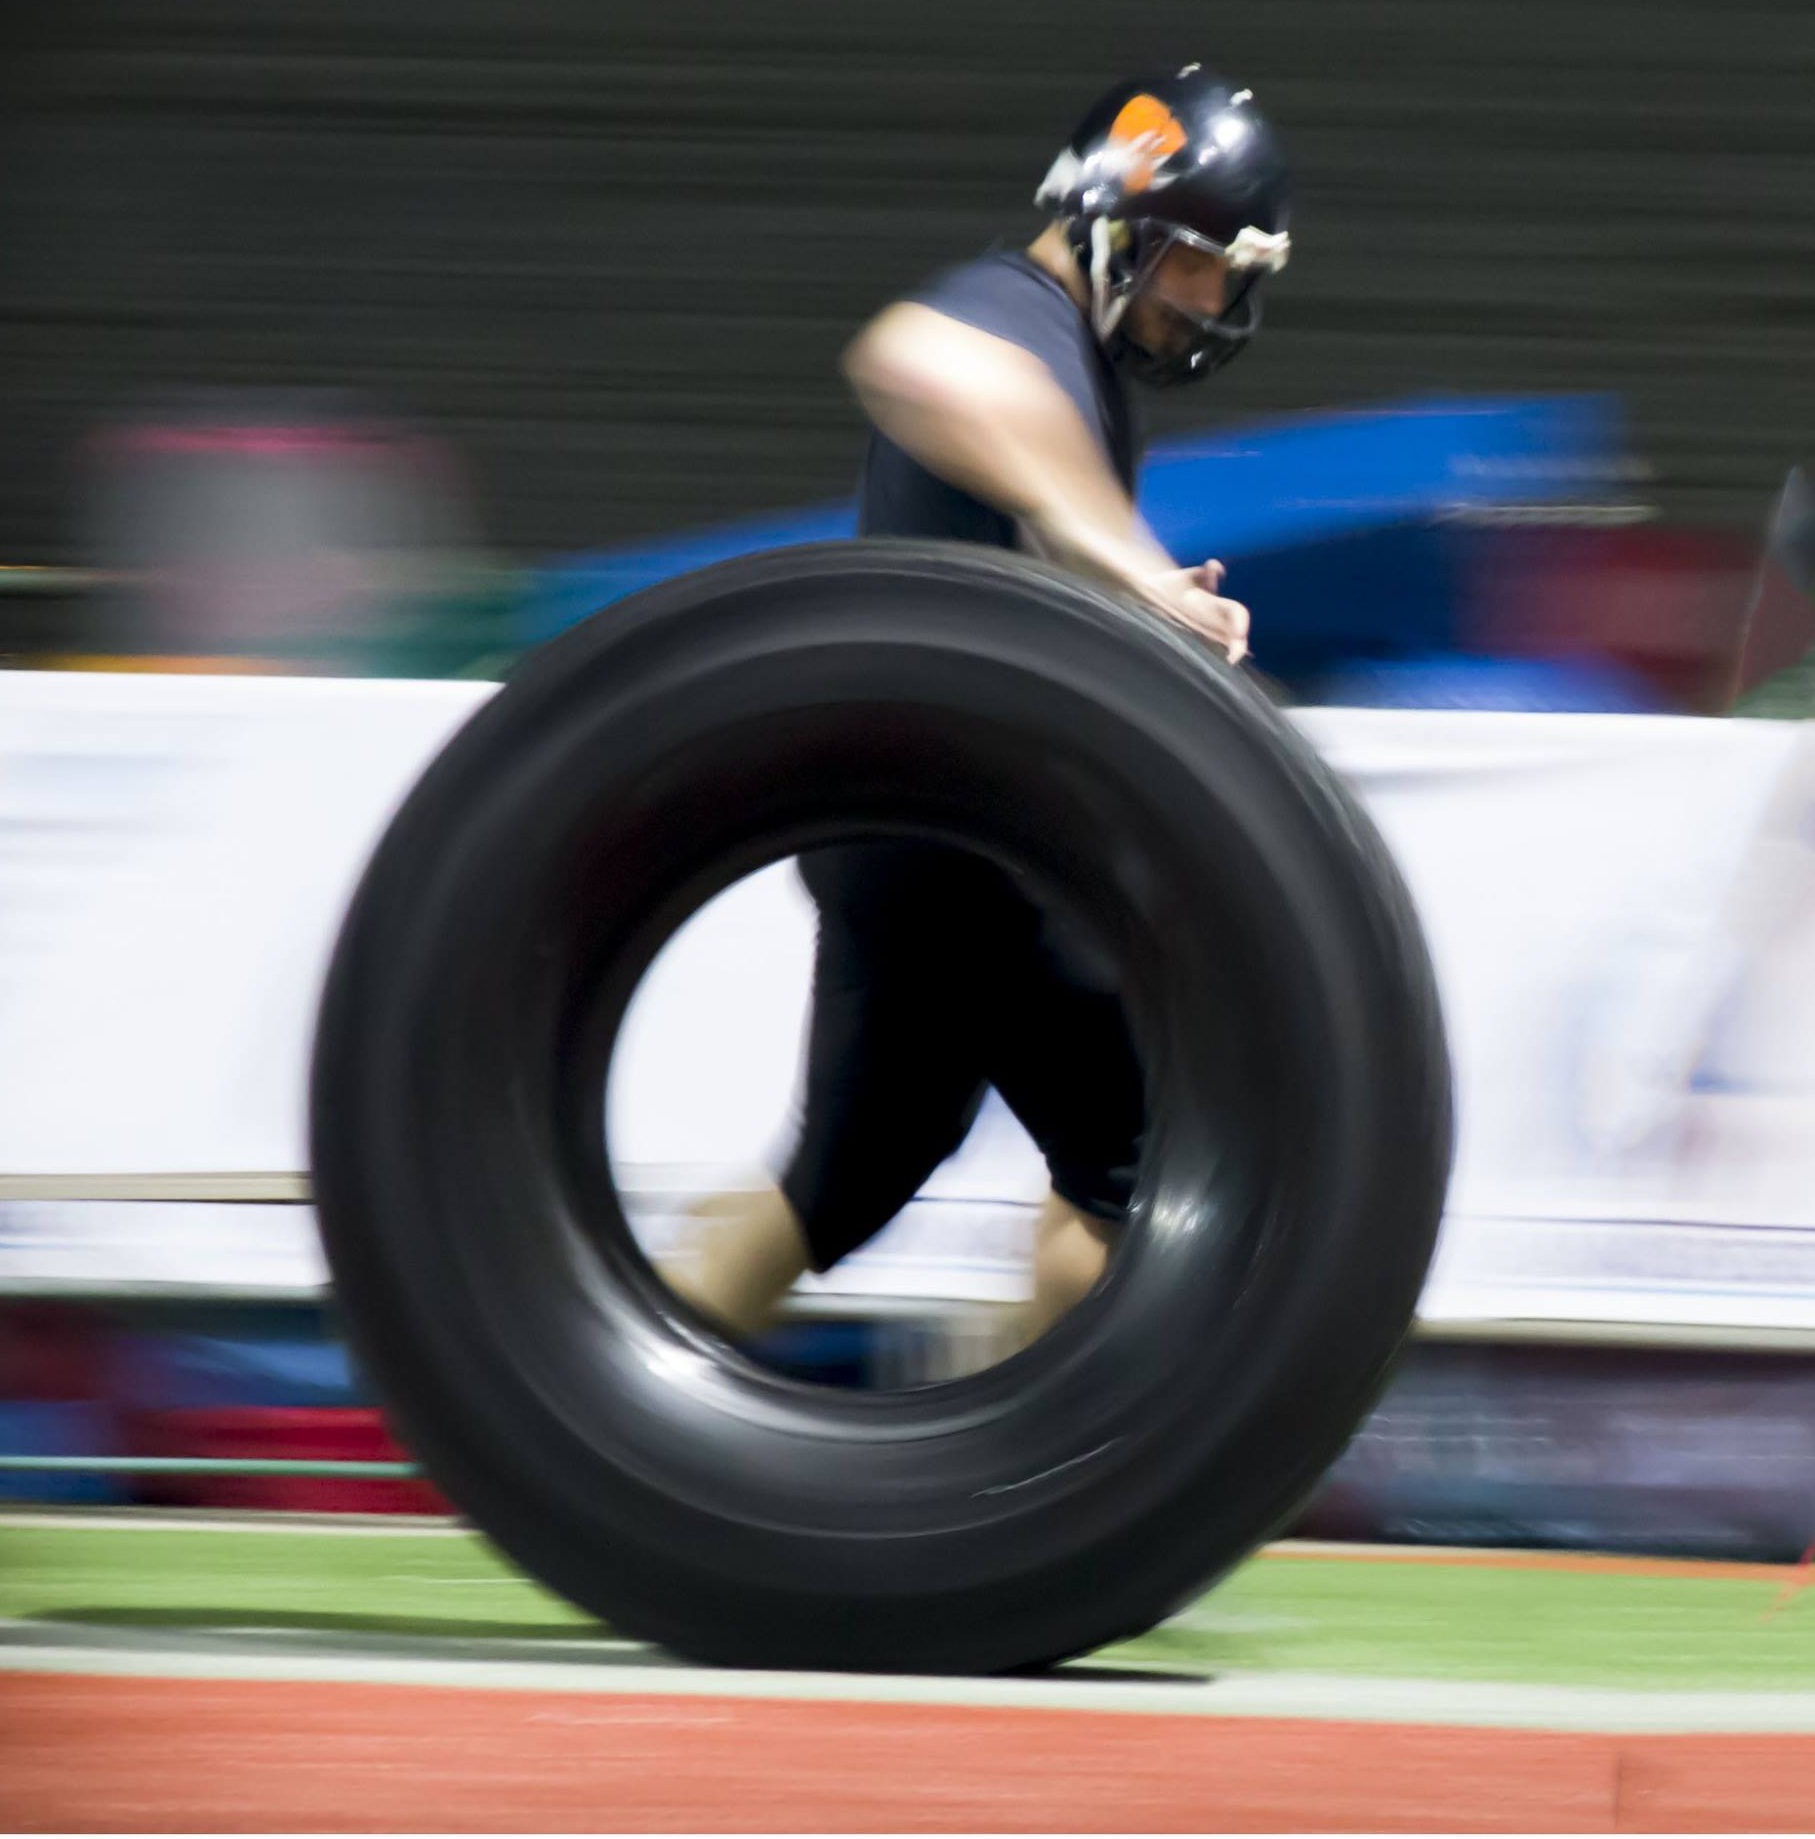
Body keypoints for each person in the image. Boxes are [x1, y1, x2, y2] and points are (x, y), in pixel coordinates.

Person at [658, 64, 1292, 1348]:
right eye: (1198, 265)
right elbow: (909, 358)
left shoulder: (1070, 361)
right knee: (1143, 1168)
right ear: (1119, 223)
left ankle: (597, 1389)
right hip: (952, 843)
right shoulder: (1009, 307)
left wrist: (1128, 595)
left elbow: (1025, 565)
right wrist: (1125, 561)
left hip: (904, 833)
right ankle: (1020, 1489)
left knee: (843, 1179)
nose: (1212, 304)